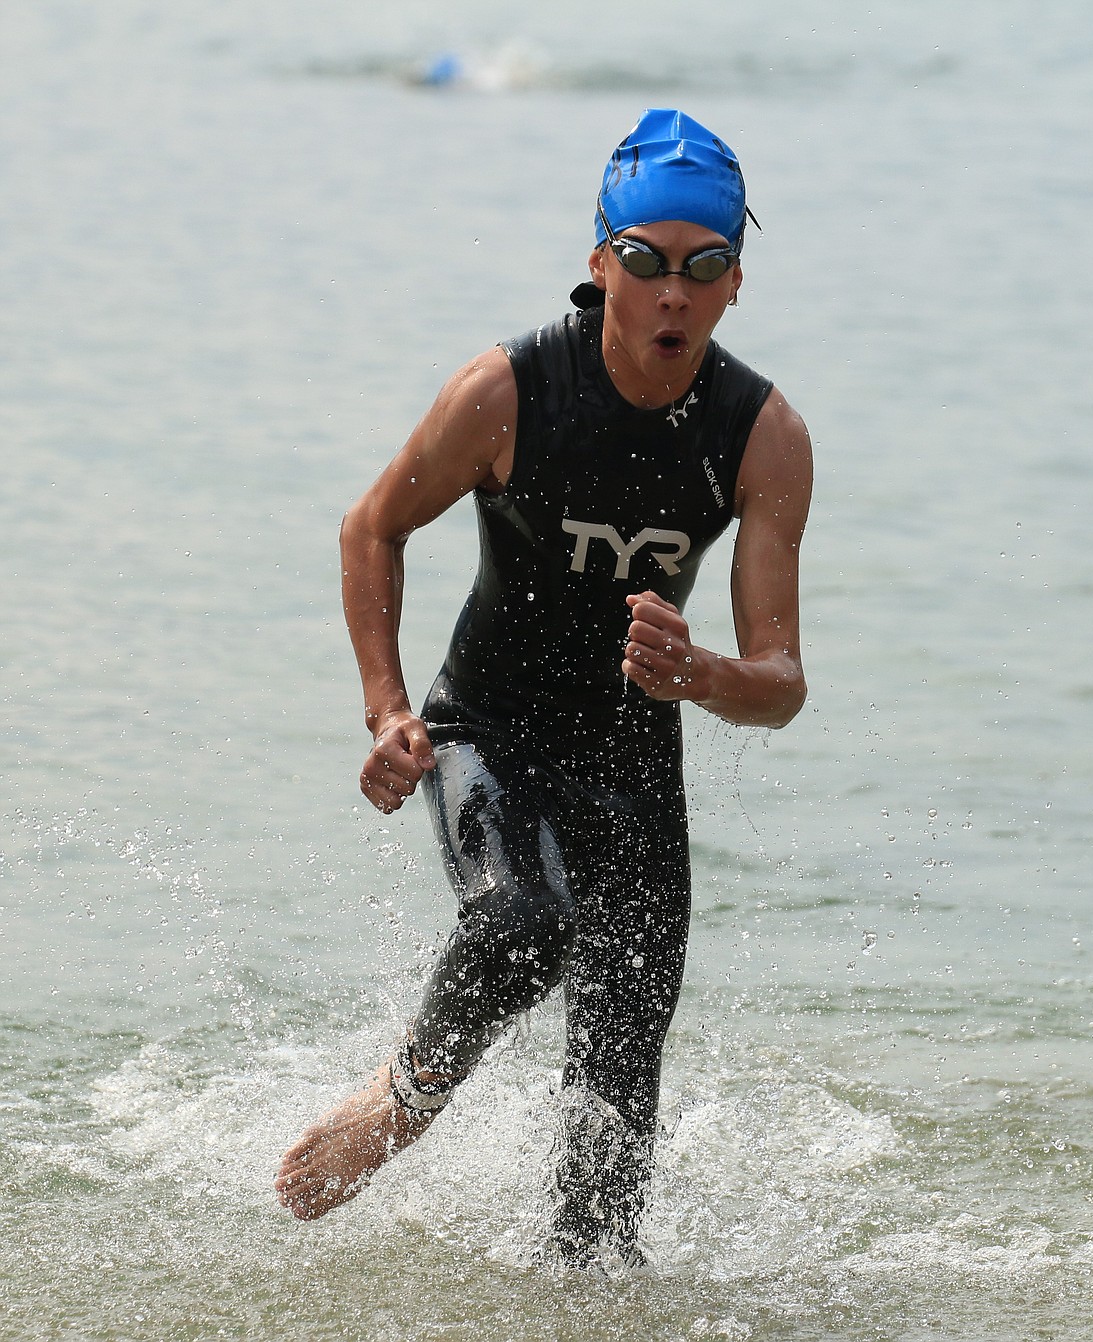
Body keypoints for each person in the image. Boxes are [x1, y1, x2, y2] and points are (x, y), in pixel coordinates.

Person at [274, 108, 813, 1262]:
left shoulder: (760, 433)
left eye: (704, 267)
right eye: (645, 261)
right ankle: (405, 1101)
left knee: (615, 1110)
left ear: (732, 286)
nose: (672, 293)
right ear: (600, 263)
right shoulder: (508, 392)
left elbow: (780, 681)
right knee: (524, 922)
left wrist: (707, 671)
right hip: (489, 734)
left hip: (633, 765)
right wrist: (387, 710)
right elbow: (372, 529)